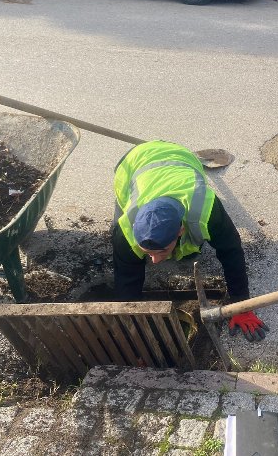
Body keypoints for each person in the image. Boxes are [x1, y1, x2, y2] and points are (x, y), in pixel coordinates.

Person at [112, 140, 268, 342]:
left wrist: (241, 304)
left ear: (180, 230)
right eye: (148, 252)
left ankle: (181, 248)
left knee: (194, 248)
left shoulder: (206, 210)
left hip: (181, 157)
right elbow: (126, 284)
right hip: (132, 163)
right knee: (122, 251)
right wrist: (135, 334)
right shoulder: (125, 231)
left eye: (160, 251)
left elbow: (231, 251)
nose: (155, 261)